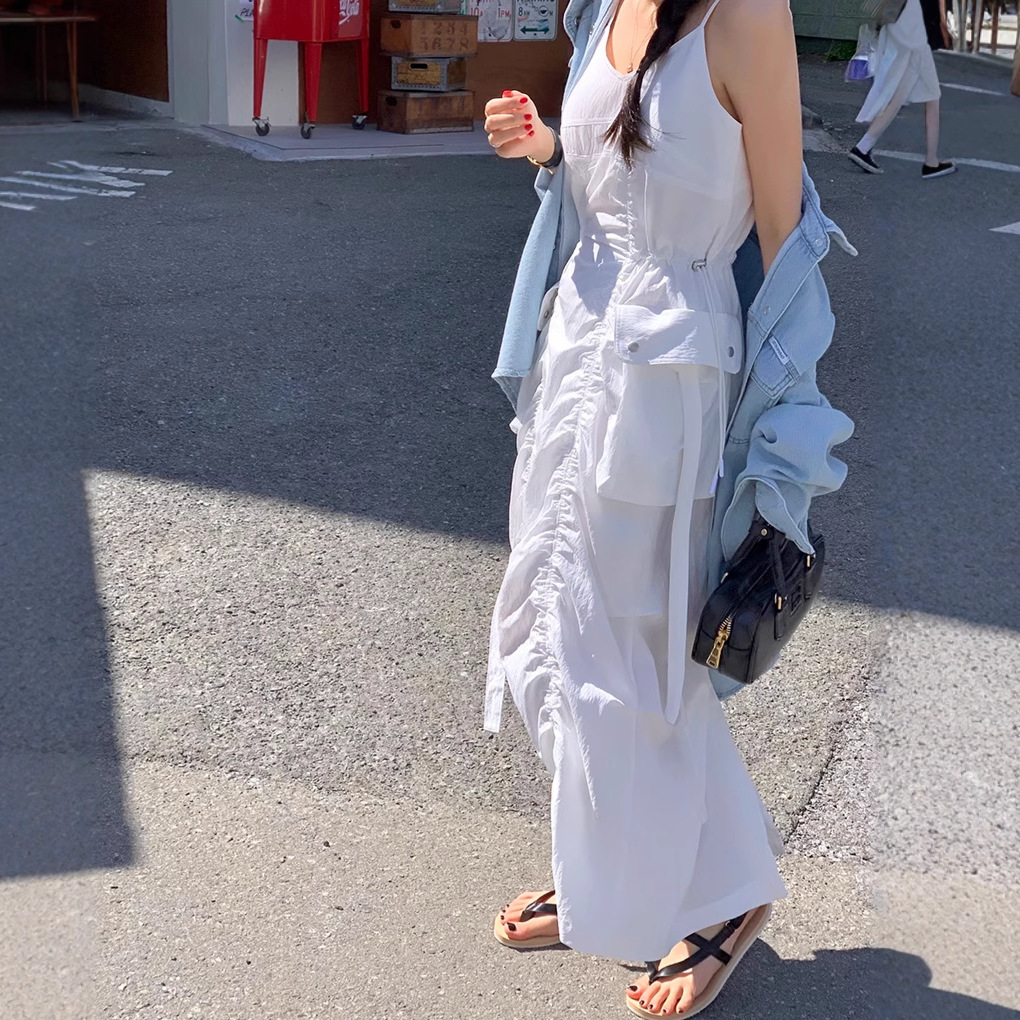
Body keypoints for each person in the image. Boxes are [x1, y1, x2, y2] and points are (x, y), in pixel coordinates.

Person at [481, 0, 854, 1016]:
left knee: (637, 653)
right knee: (556, 622)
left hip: (666, 386)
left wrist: (786, 450)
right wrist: (546, 147)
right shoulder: (607, 6)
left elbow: (785, 241)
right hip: (576, 357)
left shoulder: (745, 17)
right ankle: (610, 875)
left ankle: (724, 896)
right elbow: (609, 179)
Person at [850, 0, 956, 178]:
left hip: (905, 27)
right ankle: (930, 162)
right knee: (926, 95)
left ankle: (864, 147)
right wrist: (942, 26)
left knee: (904, 94)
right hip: (914, 32)